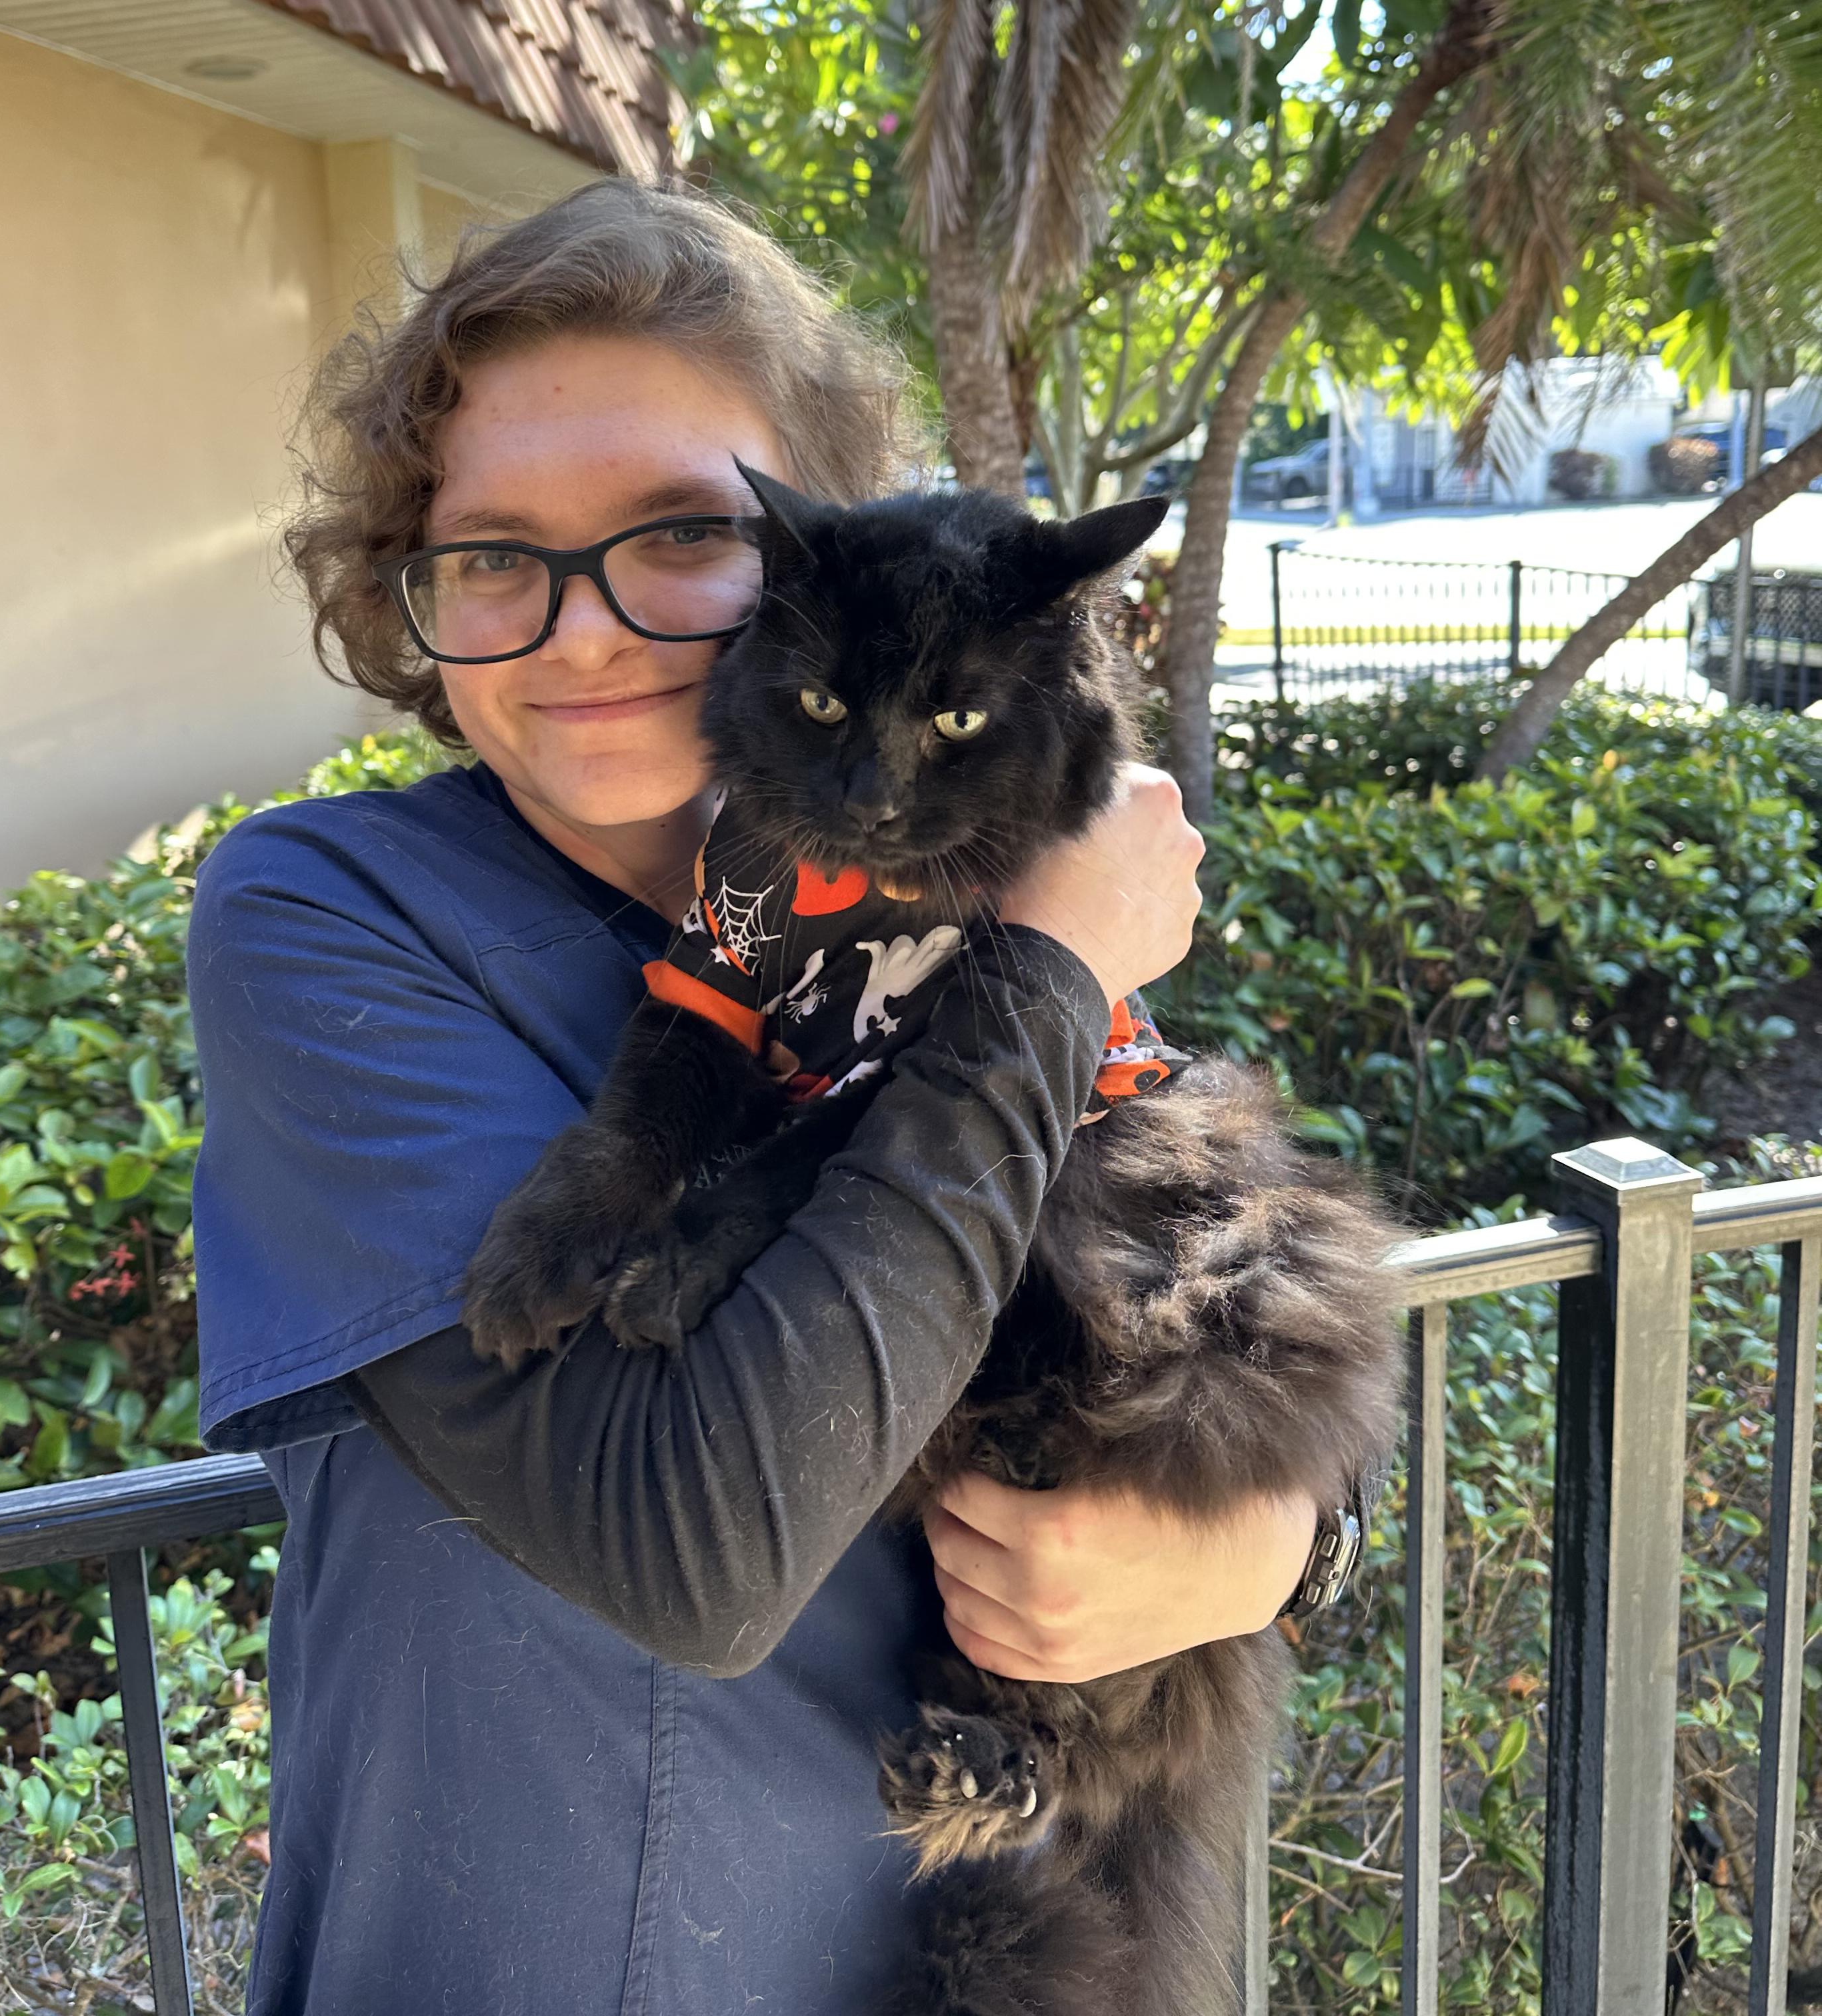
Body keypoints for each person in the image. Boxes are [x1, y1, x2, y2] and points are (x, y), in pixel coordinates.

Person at [188, 178, 1318, 2016]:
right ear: (413, 587)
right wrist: (1045, 973)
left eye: (679, 533)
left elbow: (1190, 1260)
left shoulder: (956, 860)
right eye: (492, 555)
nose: (579, 636)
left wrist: (1272, 1541)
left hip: (978, 1936)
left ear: (823, 550)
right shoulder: (326, 917)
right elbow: (692, 1549)